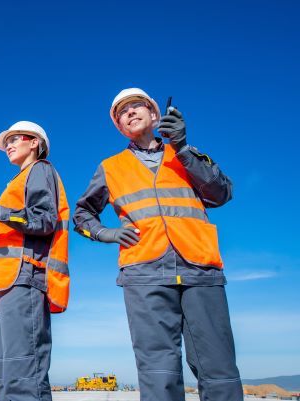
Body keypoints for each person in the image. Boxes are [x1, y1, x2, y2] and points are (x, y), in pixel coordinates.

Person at [73, 88, 243, 401]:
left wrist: (181, 147)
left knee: (218, 368)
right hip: (143, 271)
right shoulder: (110, 167)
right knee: (157, 371)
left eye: (137, 106)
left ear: (155, 115)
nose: (130, 112)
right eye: (122, 112)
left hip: (199, 269)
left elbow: (221, 194)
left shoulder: (186, 156)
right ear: (120, 126)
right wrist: (104, 233)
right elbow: (81, 216)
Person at [0, 121, 70, 401]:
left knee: (23, 371)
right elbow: (5, 234)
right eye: (6, 141)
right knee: (5, 372)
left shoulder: (40, 170)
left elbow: (43, 220)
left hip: (24, 277)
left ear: (35, 143)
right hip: (3, 281)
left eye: (14, 138)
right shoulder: (16, 183)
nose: (8, 144)